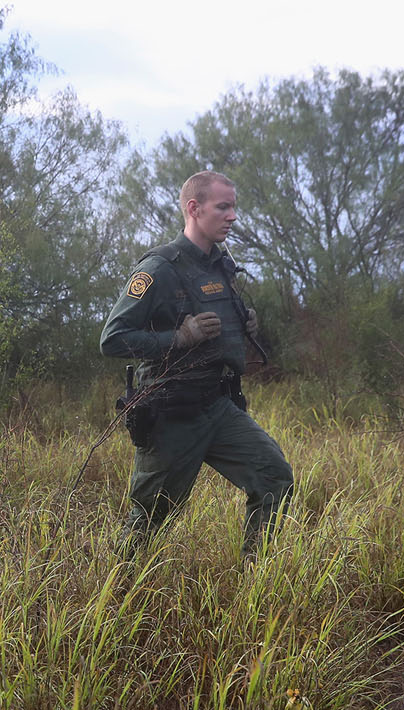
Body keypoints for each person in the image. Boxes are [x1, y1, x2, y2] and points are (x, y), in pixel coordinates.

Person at [100, 170, 293, 559]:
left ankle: (256, 578)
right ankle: (115, 596)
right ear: (194, 208)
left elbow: (218, 318)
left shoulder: (220, 264)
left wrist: (244, 321)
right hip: (172, 411)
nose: (233, 216)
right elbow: (112, 339)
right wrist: (179, 337)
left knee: (275, 476)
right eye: (223, 207)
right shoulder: (157, 269)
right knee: (150, 517)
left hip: (219, 405)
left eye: (233, 207)